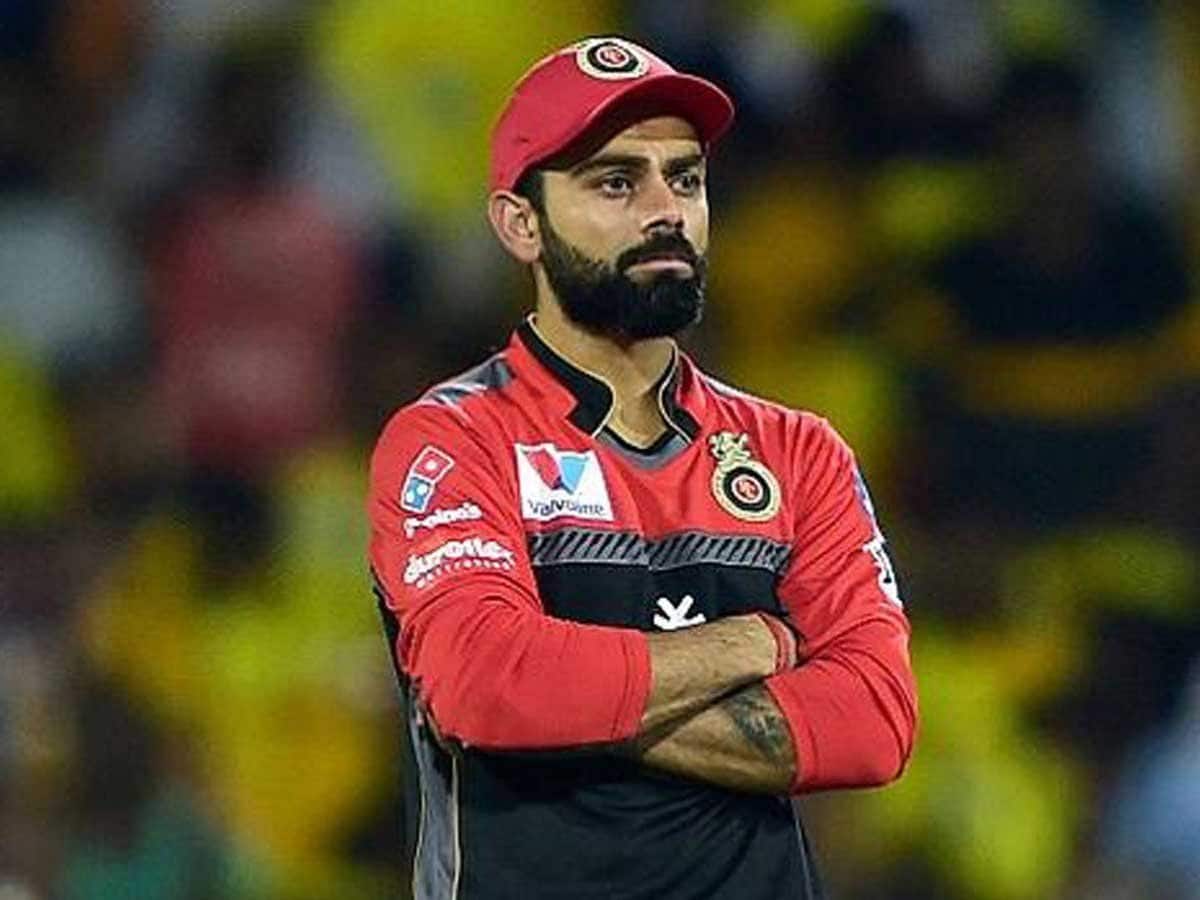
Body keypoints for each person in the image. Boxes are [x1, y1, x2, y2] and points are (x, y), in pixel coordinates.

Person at [368, 36, 917, 900]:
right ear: (520, 224)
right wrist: (754, 643)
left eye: (685, 179)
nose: (666, 210)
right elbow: (482, 683)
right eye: (616, 183)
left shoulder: (798, 452)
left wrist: (567, 705)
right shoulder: (454, 440)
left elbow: (874, 722)